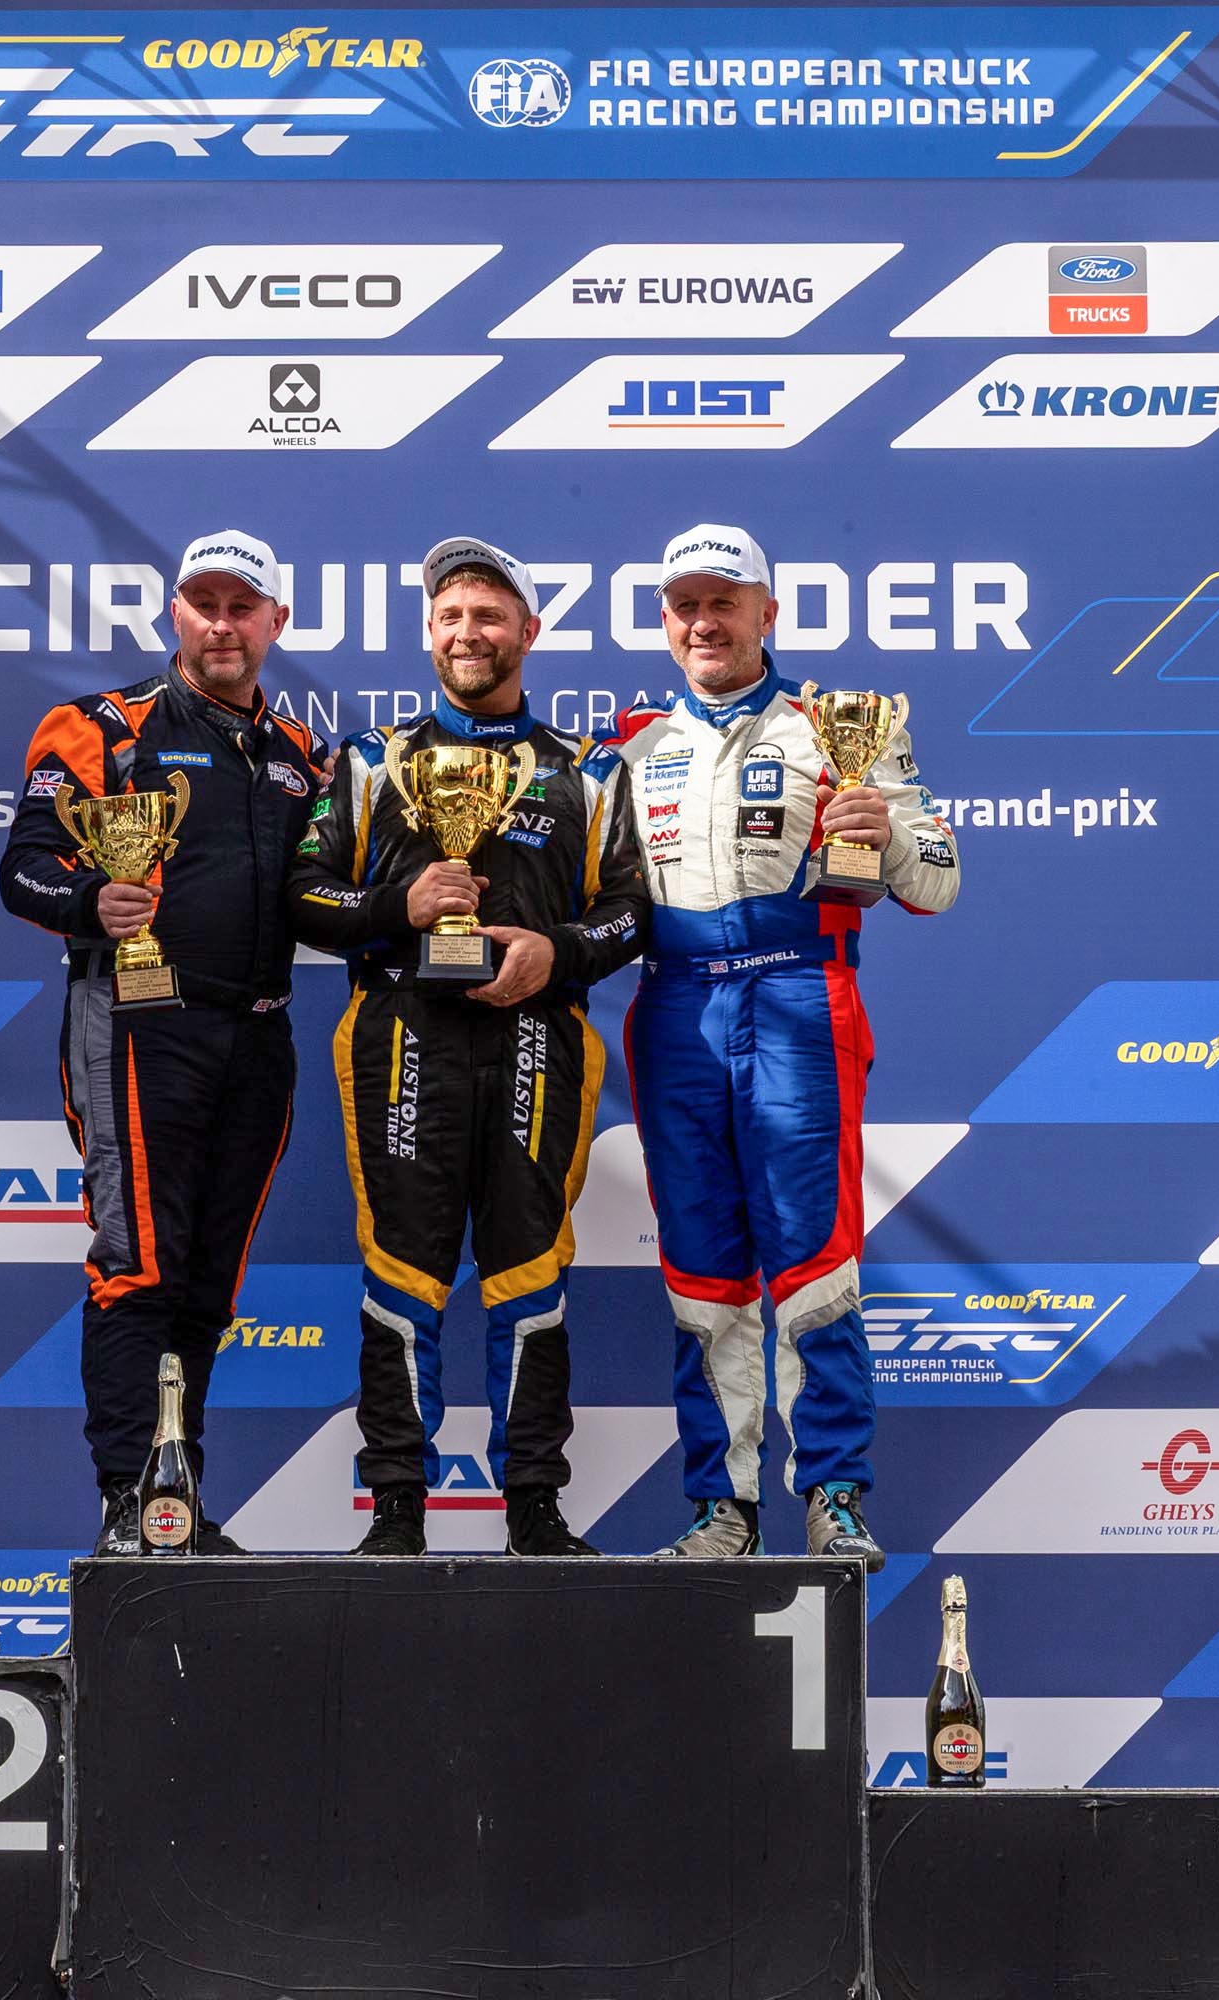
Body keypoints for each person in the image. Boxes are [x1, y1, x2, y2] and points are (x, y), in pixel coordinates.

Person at [288, 536, 649, 1557]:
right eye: (450, 615)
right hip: (403, 1036)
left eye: (488, 615)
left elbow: (633, 912)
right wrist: (395, 906)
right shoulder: (370, 760)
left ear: (527, 631)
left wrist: (557, 950)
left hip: (540, 1037)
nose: (467, 632)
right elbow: (305, 898)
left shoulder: (589, 769)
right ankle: (398, 1505)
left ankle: (533, 1503)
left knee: (531, 1264)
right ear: (428, 632)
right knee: (401, 1263)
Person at [608, 523, 959, 1567]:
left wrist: (884, 834)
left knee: (814, 1253)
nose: (704, 622)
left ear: (768, 611)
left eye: (725, 601)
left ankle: (833, 1494)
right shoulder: (630, 747)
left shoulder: (840, 724)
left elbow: (938, 879)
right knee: (700, 1263)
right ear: (664, 621)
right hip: (676, 1009)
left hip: (802, 992)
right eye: (685, 605)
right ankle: (722, 1505)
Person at [0, 529, 325, 1557]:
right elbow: (23, 867)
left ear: (276, 620)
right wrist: (91, 900)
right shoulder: (104, 725)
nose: (222, 625)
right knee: (137, 1263)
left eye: (242, 606)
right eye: (204, 604)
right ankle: (126, 1506)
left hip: (258, 1035)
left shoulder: (298, 753)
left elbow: (328, 892)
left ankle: (175, 1506)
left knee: (208, 1285)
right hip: (138, 1020)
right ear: (173, 612)